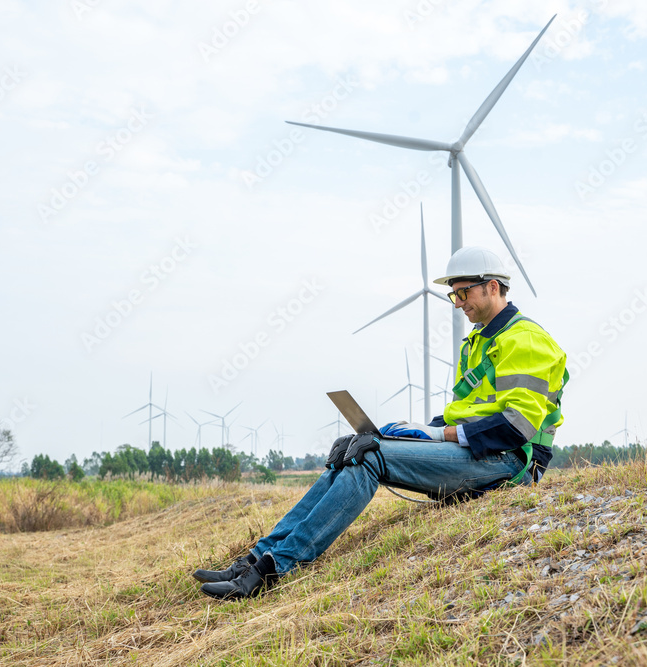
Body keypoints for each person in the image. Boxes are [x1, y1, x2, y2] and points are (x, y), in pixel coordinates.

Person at [195, 246, 568, 601]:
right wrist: (412, 430)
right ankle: (254, 559)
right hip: (478, 450)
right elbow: (466, 413)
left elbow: (514, 427)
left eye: (462, 293)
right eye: (453, 296)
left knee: (371, 457)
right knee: (352, 450)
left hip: (511, 462)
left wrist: (436, 434)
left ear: (492, 287)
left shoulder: (526, 340)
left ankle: (271, 570)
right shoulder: (478, 342)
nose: (458, 304)